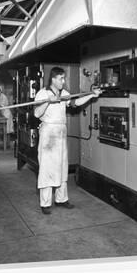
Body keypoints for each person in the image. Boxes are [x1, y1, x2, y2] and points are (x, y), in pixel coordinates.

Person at [34, 67, 102, 215]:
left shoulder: (64, 93)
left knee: (62, 166)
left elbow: (75, 103)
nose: (63, 81)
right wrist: (47, 102)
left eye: (64, 78)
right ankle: (45, 203)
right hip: (48, 134)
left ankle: (61, 199)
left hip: (60, 132)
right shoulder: (42, 93)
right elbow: (36, 113)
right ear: (53, 79)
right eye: (61, 78)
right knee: (47, 168)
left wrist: (92, 95)